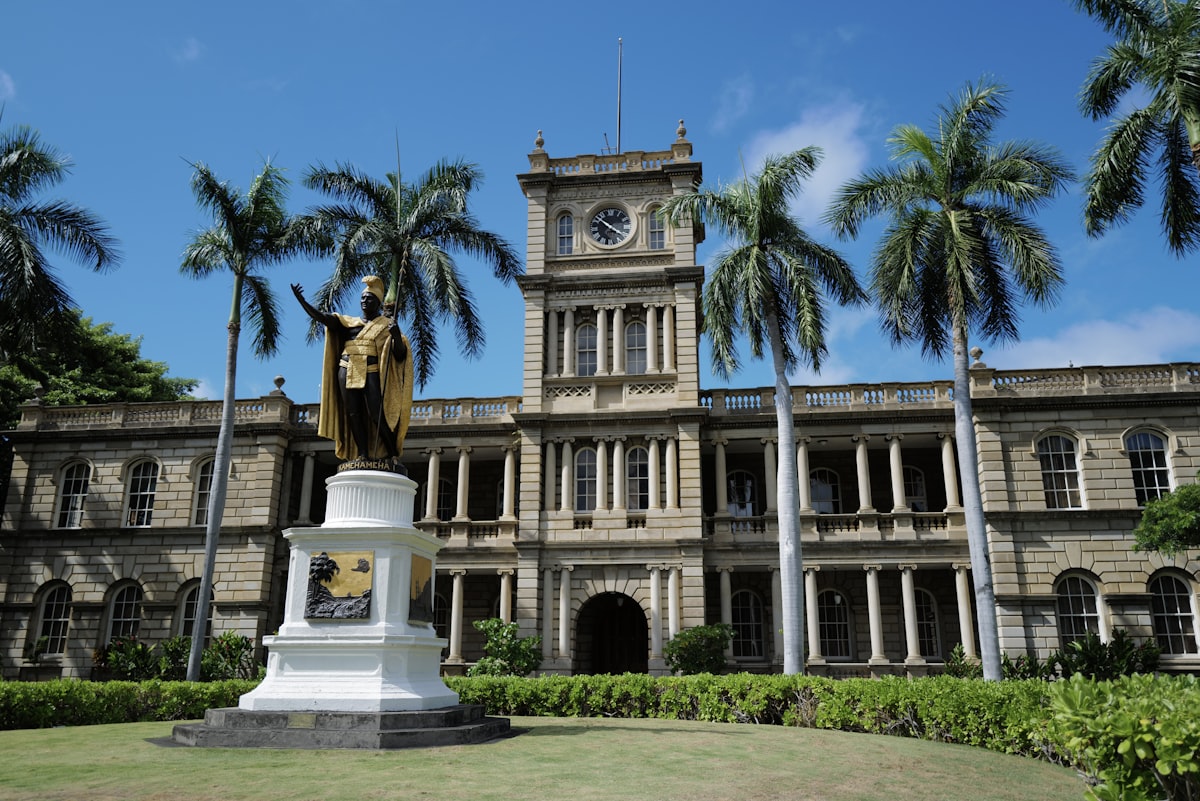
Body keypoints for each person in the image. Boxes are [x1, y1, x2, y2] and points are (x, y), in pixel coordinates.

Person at [291, 277, 414, 466]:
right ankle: (362, 453)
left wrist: (396, 335)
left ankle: (391, 452)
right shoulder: (347, 322)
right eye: (363, 298)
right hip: (346, 368)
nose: (365, 301)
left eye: (370, 299)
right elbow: (322, 317)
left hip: (371, 370)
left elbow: (399, 356)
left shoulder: (385, 326)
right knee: (353, 413)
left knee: (376, 413)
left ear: (378, 303)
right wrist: (302, 301)